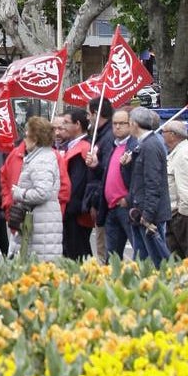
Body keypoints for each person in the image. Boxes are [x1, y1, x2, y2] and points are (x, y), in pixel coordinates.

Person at [11, 115, 63, 261]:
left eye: (27, 135)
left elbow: (42, 193)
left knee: (40, 268)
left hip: (41, 225)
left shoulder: (42, 160)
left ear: (35, 138)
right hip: (41, 222)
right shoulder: (42, 157)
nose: (24, 139)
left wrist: (19, 193)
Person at [126, 106, 171, 266]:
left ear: (134, 124)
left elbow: (153, 183)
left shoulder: (150, 146)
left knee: (158, 262)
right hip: (141, 213)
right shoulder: (145, 144)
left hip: (149, 215)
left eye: (128, 122)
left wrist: (148, 215)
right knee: (141, 262)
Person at [97, 108, 136, 259]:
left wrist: (128, 198)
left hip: (126, 207)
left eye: (122, 123)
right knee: (112, 256)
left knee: (138, 251)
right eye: (114, 124)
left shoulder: (134, 147)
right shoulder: (114, 145)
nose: (117, 127)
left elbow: (139, 178)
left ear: (130, 124)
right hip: (111, 207)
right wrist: (95, 166)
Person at [83, 95, 115, 262]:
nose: (87, 118)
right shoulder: (99, 135)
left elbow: (108, 172)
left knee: (104, 250)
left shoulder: (108, 137)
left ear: (96, 113)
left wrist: (96, 202)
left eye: (88, 114)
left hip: (103, 201)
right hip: (99, 199)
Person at [61, 106, 94, 258]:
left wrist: (69, 208)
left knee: (77, 252)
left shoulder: (84, 148)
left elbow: (78, 182)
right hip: (70, 209)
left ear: (78, 125)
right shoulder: (71, 146)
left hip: (75, 210)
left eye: (67, 123)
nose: (63, 127)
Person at [163, 118, 188, 257]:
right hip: (175, 215)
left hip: (183, 217)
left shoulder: (184, 154)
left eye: (164, 132)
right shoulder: (176, 152)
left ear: (173, 135)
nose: (162, 134)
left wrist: (183, 215)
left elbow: (187, 188)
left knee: (187, 256)